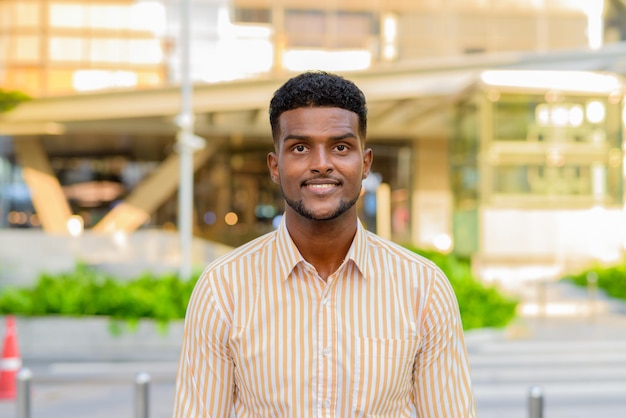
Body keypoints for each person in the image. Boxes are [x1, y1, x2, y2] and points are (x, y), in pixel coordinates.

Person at [172, 71, 476, 417]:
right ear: (276, 166)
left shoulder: (424, 287)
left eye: (340, 147)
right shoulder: (222, 288)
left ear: (365, 164)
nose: (321, 164)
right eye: (300, 148)